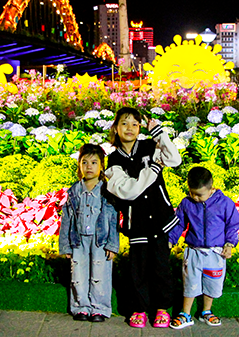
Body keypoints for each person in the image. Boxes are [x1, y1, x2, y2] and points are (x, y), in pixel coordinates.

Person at [105, 107, 182, 328]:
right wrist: (154, 171)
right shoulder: (112, 160)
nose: (129, 128)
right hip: (136, 221)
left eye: (135, 124)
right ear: (115, 128)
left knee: (161, 266)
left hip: (159, 218)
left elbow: (175, 160)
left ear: (140, 128)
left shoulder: (150, 146)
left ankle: (162, 308)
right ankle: (138, 308)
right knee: (137, 268)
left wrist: (159, 133)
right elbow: (128, 191)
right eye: (124, 123)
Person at [168, 166, 239, 329]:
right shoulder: (187, 203)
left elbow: (233, 224)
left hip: (216, 252)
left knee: (212, 282)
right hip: (193, 251)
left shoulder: (224, 203)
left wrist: (230, 243)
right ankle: (185, 313)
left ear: (211, 188)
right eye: (192, 193)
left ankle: (206, 311)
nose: (195, 197)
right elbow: (179, 223)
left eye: (199, 194)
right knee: (190, 282)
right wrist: (170, 240)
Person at [59, 144, 119, 322]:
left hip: (99, 240)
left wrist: (112, 244)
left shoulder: (106, 191)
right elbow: (67, 218)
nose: (89, 167)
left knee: (100, 273)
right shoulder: (74, 191)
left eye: (94, 162)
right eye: (84, 162)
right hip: (78, 240)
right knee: (79, 273)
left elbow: (113, 218)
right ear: (79, 165)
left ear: (101, 166)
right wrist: (66, 245)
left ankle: (99, 308)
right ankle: (81, 307)